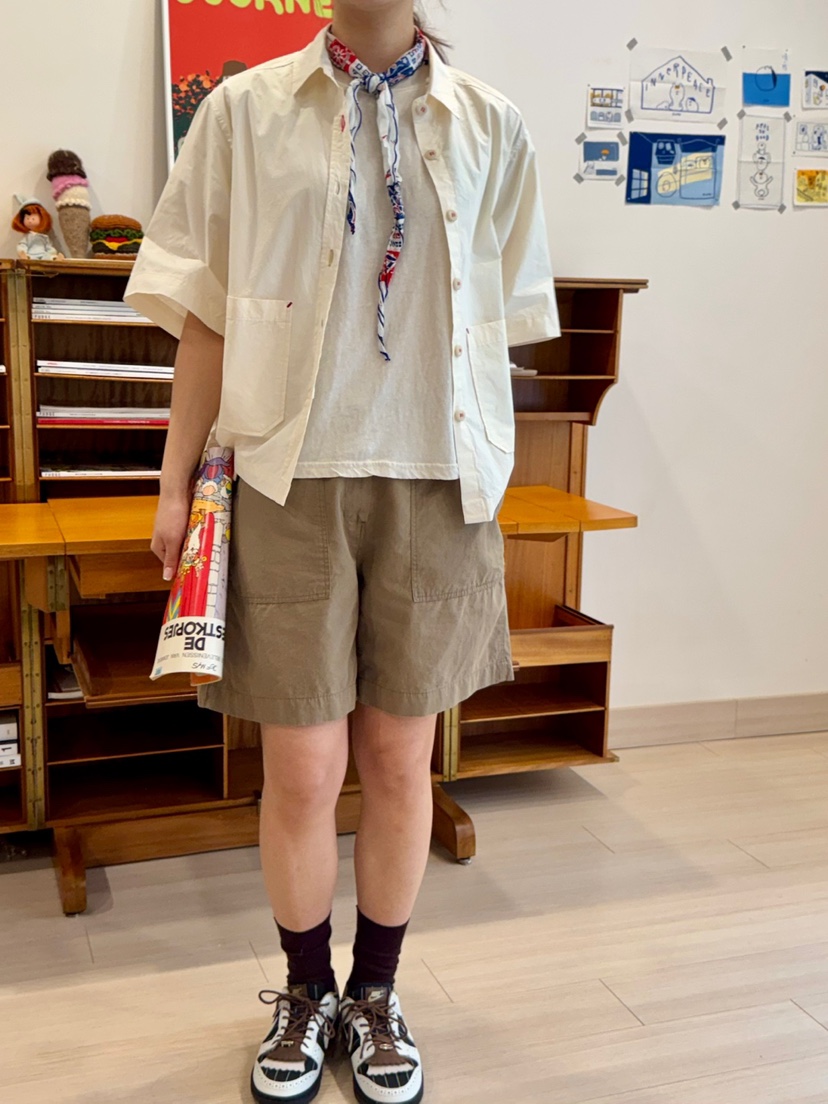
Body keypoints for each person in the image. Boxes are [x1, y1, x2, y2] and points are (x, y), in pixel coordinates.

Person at [124, 1, 559, 1101]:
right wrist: (173, 486)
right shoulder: (243, 112)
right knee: (303, 769)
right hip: (286, 477)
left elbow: (499, 322)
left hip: (436, 480)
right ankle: (306, 989)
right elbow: (207, 315)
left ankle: (377, 991)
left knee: (402, 762)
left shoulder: (491, 123)